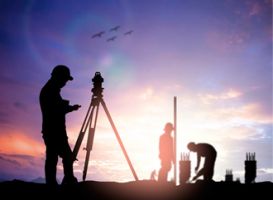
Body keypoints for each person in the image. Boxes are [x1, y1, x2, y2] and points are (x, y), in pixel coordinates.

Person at [40, 65, 81, 185]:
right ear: (58, 77)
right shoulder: (50, 91)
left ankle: (54, 183)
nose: (65, 83)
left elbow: (57, 108)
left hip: (53, 131)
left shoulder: (51, 90)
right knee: (66, 157)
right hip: (54, 132)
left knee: (53, 158)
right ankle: (67, 181)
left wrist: (71, 108)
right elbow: (55, 110)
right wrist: (67, 107)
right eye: (64, 80)